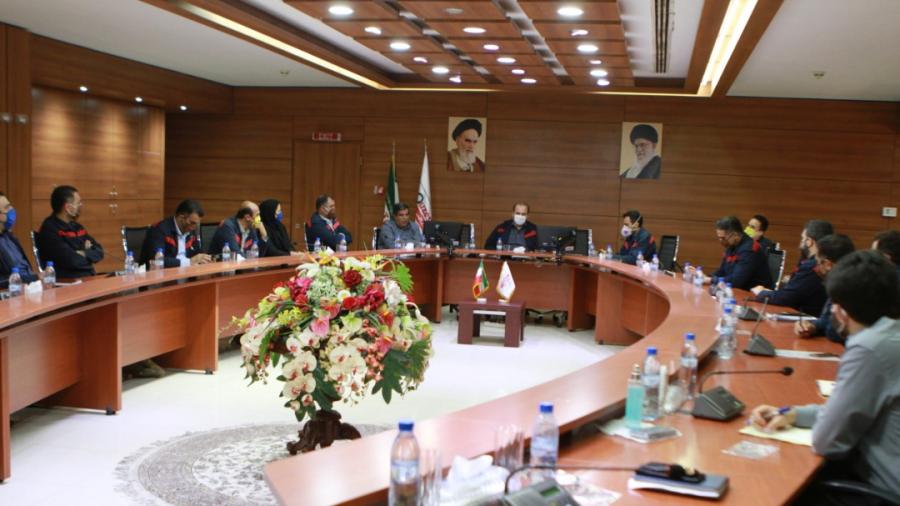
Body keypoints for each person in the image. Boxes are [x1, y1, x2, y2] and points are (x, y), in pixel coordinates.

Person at [749, 250, 900, 499]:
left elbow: (828, 441)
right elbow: (849, 409)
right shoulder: (890, 334)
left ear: (840, 312)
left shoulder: (869, 348)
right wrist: (794, 414)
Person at [750, 222, 828, 316]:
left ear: (809, 241)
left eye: (803, 238)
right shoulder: (819, 262)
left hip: (804, 317)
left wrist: (762, 293)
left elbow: (787, 298)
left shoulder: (811, 266)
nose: (801, 242)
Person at [794, 234, 855, 344]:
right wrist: (812, 326)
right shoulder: (839, 281)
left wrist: (819, 327)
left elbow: (834, 331)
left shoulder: (852, 286)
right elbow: (826, 319)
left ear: (828, 264)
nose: (816, 268)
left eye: (817, 263)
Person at [36, 185, 105, 278]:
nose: (81, 206)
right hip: (67, 280)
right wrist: (87, 252)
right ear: (68, 208)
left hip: (88, 276)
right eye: (78, 203)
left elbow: (99, 251)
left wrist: (83, 253)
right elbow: (72, 261)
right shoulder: (49, 230)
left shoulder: (77, 227)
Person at [697, 216, 771, 290]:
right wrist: (706, 277)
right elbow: (722, 271)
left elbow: (736, 281)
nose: (720, 241)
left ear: (735, 235)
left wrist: (711, 280)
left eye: (723, 238)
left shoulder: (750, 250)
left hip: (753, 293)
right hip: (737, 290)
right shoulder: (732, 245)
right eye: (719, 238)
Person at [142, 199, 212, 267]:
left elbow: (197, 252)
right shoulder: (159, 230)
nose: (195, 227)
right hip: (165, 273)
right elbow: (158, 260)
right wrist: (189, 262)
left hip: (188, 271)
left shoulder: (191, 230)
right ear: (181, 218)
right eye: (192, 223)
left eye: (197, 224)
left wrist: (205, 258)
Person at [0, 192, 38, 288]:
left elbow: (25, 267)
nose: (12, 210)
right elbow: (3, 280)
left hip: (29, 287)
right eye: (7, 208)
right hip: (12, 291)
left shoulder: (9, 237)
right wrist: (35, 278)